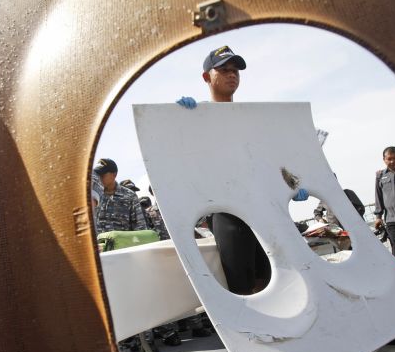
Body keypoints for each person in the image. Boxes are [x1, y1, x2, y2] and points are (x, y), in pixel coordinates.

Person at [176, 45, 311, 295]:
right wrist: (182, 120)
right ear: (206, 77)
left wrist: (295, 186)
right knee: (242, 284)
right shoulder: (196, 119)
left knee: (280, 278)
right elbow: (180, 159)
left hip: (262, 207)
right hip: (226, 211)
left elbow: (273, 161)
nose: (232, 75)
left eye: (236, 70)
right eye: (224, 69)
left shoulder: (253, 122)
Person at [94, 158, 147, 234]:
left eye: (102, 175)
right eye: (97, 175)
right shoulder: (94, 195)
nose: (99, 178)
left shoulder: (130, 196)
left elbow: (140, 226)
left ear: (114, 174)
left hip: (124, 244)